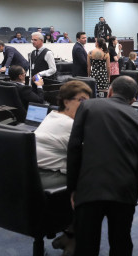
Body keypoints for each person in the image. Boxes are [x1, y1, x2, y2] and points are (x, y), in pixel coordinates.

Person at [67, 76, 138, 256]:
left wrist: (73, 188)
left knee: (86, 245)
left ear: (110, 91)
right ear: (133, 100)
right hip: (123, 190)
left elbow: (74, 148)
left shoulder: (88, 106)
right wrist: (133, 197)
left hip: (90, 186)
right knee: (121, 243)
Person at [36, 79, 93, 256]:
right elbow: (89, 155)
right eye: (81, 100)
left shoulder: (52, 115)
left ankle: (69, 234)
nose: (86, 106)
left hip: (33, 175)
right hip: (47, 180)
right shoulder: (69, 125)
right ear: (66, 101)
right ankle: (75, 239)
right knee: (93, 185)